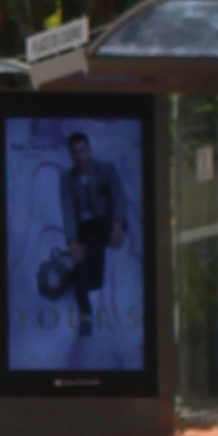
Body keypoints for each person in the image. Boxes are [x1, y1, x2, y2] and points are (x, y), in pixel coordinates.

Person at [57, 131, 127, 337]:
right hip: (85, 229)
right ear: (70, 154)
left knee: (88, 271)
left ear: (89, 150)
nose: (80, 156)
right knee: (82, 267)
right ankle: (85, 315)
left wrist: (118, 224)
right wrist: (71, 241)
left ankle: (74, 266)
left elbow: (119, 197)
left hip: (105, 223)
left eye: (83, 150)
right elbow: (67, 209)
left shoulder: (106, 170)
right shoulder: (67, 178)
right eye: (75, 152)